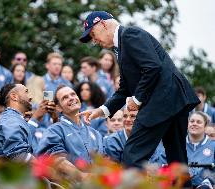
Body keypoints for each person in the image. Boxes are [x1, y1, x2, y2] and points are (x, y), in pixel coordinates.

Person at [78, 11, 200, 168]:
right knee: (177, 162)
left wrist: (137, 99)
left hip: (162, 100)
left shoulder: (130, 34)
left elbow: (152, 67)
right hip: (175, 100)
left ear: (103, 24)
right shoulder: (122, 46)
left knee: (133, 155)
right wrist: (101, 111)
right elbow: (124, 89)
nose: (94, 41)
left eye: (93, 34)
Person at [36, 85, 103, 181]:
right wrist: (82, 176)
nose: (71, 98)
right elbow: (56, 160)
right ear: (58, 108)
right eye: (65, 97)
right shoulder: (54, 130)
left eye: (73, 94)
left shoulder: (96, 133)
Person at [0, 84, 34, 162]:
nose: (30, 97)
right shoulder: (11, 120)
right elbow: (18, 155)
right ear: (14, 96)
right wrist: (47, 170)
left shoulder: (13, 118)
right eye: (26, 92)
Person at [187, 111, 215, 187]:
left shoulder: (213, 145)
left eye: (198, 122)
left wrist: (208, 181)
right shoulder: (177, 144)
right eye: (192, 121)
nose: (194, 123)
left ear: (205, 126)